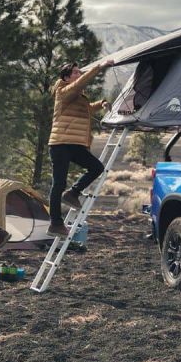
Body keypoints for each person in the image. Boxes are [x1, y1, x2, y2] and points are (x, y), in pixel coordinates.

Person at [47, 60, 114, 237]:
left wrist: (102, 103)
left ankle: (73, 192)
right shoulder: (64, 92)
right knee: (58, 183)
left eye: (79, 72)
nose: (79, 74)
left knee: (97, 167)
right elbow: (80, 84)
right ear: (67, 78)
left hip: (74, 144)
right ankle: (55, 223)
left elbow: (87, 109)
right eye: (75, 72)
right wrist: (99, 67)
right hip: (60, 143)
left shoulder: (77, 96)